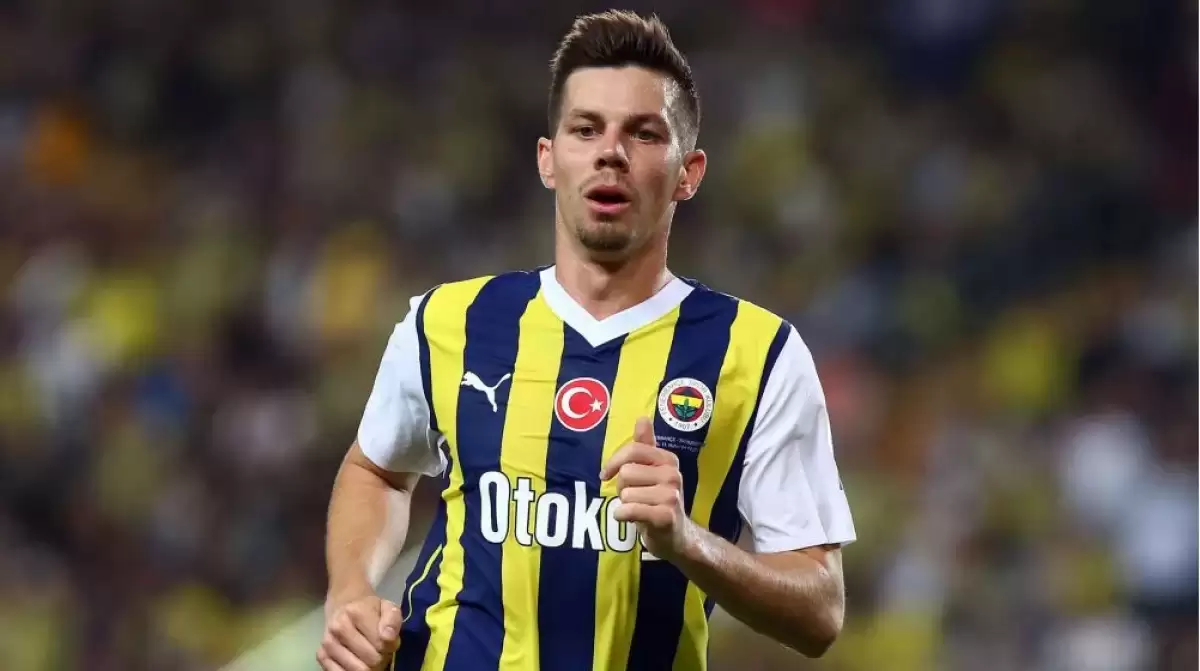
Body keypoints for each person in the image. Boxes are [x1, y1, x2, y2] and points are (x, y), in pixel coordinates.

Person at [317, 10, 855, 671]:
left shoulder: (758, 353)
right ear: (549, 159)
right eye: (586, 129)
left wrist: (686, 541)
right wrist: (350, 591)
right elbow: (376, 470)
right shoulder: (448, 322)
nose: (610, 152)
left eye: (644, 133)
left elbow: (820, 611)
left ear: (687, 173)